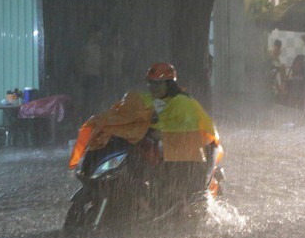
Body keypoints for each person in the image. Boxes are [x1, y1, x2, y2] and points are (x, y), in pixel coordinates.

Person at [69, 62, 221, 207]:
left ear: (169, 84)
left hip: (190, 153)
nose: (154, 87)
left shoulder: (183, 102)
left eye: (158, 84)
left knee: (173, 181)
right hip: (164, 148)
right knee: (135, 160)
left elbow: (182, 129)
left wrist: (156, 133)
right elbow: (131, 114)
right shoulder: (151, 99)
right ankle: (139, 200)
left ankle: (161, 203)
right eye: (151, 83)